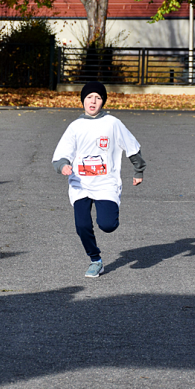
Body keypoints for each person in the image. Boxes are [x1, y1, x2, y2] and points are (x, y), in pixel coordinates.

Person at [52, 81, 146, 278]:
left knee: (108, 225)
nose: (93, 101)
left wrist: (138, 171)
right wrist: (63, 166)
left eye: (98, 98)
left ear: (103, 102)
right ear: (83, 101)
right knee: (82, 225)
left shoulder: (113, 123)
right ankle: (95, 260)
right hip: (80, 184)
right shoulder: (75, 126)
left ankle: (108, 216)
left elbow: (132, 147)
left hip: (105, 184)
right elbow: (61, 154)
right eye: (89, 97)